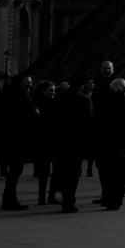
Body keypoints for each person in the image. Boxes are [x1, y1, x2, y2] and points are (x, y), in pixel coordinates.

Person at [92, 78, 125, 210]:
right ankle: (117, 200)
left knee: (108, 174)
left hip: (108, 143)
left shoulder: (105, 103)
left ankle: (108, 198)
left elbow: (100, 124)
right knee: (120, 174)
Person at [49, 77, 93, 213]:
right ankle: (69, 201)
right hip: (77, 143)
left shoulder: (59, 98)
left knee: (63, 171)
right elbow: (89, 122)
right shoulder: (84, 100)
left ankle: (65, 199)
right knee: (74, 173)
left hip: (61, 141)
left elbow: (53, 119)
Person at [0, 77, 37, 211]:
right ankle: (9, 199)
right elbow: (30, 116)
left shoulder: (5, 98)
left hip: (8, 139)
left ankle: (8, 199)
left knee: (14, 171)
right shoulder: (20, 98)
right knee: (15, 171)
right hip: (18, 141)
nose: (28, 86)